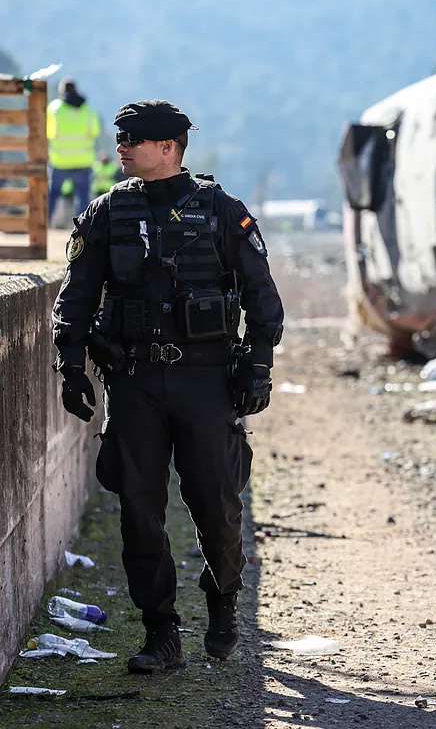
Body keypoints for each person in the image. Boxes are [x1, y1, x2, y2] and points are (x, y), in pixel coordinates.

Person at [51, 100, 285, 674]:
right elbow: (77, 294)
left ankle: (224, 602)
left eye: (133, 140)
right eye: (120, 138)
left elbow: (263, 297)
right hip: (133, 382)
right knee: (138, 510)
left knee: (217, 503)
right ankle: (162, 636)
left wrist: (257, 367)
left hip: (206, 382)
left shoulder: (222, 210)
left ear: (169, 148)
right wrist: (72, 365)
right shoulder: (106, 212)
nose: (121, 147)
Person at [47, 78, 101, 221]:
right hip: (83, 160)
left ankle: (44, 225)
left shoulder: (55, 109)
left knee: (52, 195)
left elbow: (48, 132)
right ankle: (83, 229)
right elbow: (95, 131)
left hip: (60, 160)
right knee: (82, 197)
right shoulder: (88, 109)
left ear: (61, 91)